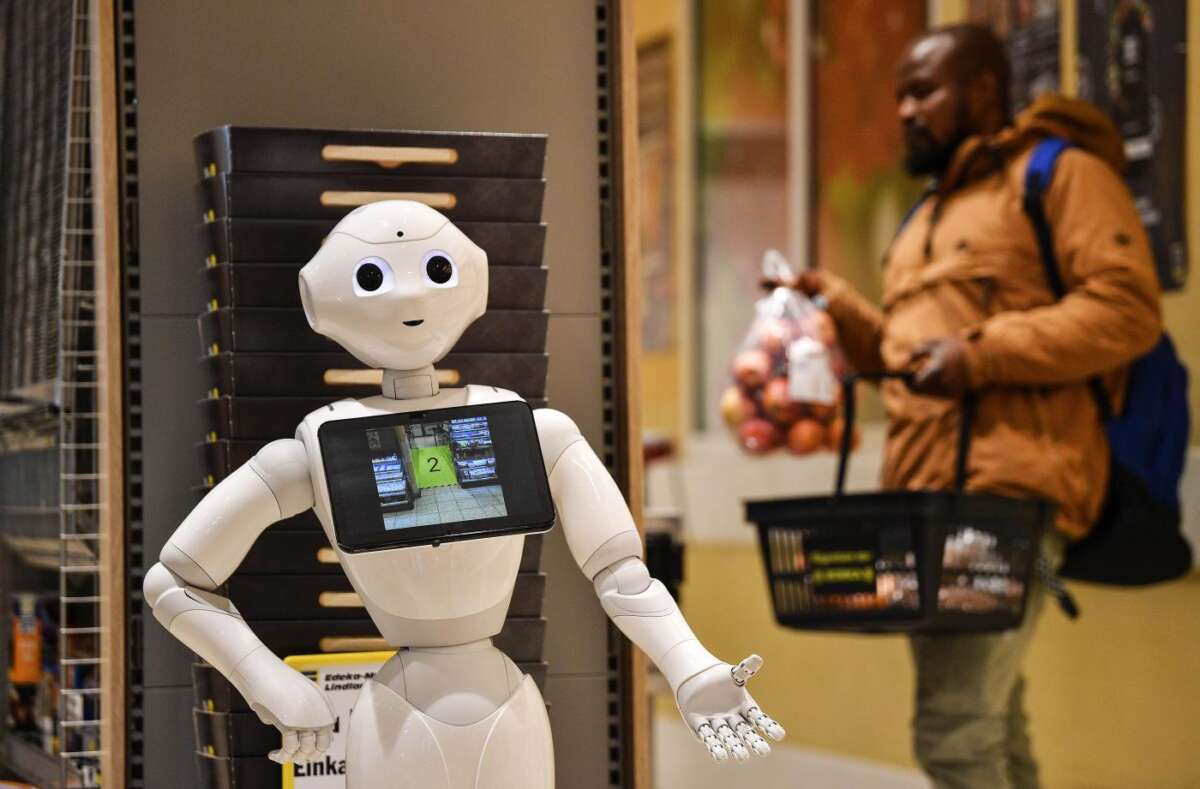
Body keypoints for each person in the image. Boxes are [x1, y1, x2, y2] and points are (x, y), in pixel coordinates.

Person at [778, 23, 1161, 789]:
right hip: (926, 503)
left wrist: (979, 353)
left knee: (953, 733)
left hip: (1007, 499)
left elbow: (1127, 310)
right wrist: (839, 304)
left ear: (984, 89)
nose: (905, 111)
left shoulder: (1061, 175)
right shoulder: (926, 216)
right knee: (991, 724)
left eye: (923, 91)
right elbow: (912, 363)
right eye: (900, 97)